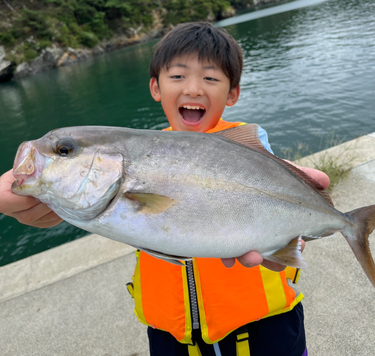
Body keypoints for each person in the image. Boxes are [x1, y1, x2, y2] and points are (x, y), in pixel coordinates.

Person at [0, 22, 330, 356]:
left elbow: (280, 209)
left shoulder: (250, 145)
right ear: (155, 88)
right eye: (178, 76)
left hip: (263, 330)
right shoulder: (141, 151)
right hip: (172, 336)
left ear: (232, 93)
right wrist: (28, 196)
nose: (193, 89)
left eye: (211, 78)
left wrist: (281, 253)